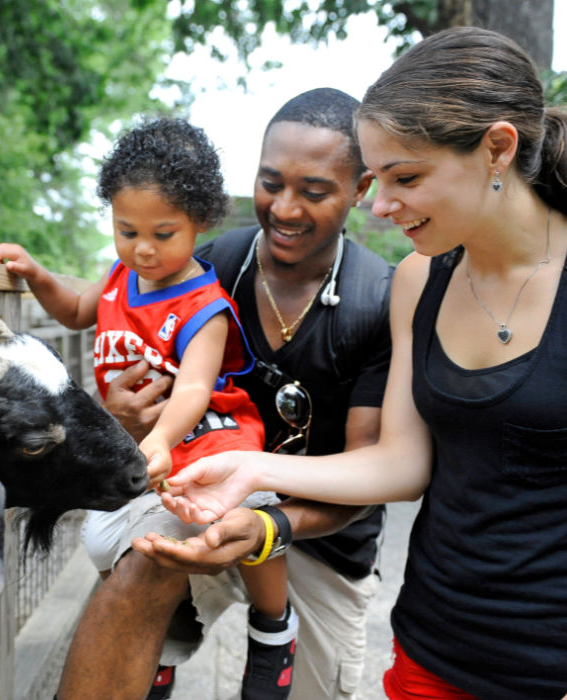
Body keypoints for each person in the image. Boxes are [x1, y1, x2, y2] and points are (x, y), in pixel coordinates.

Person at [160, 28, 567, 700]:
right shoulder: (416, 281)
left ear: (497, 147)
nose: (378, 206)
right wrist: (254, 469)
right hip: (433, 650)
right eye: (376, 181)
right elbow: (401, 465)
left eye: (407, 178)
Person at [57, 88, 393, 700]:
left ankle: (275, 636)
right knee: (138, 566)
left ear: (360, 189)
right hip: (200, 499)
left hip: (315, 535)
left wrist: (267, 528)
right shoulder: (206, 265)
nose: (284, 208)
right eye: (270, 183)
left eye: (314, 192)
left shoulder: (379, 303)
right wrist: (124, 421)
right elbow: (131, 354)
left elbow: (372, 476)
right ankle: (152, 656)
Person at [0, 117, 299, 699]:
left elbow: (193, 390)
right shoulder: (117, 276)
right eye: (126, 230)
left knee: (252, 501)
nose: (143, 248)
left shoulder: (203, 305)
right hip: (144, 442)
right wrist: (35, 276)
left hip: (206, 431)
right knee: (112, 542)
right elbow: (77, 311)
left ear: (200, 223)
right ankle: (153, 646)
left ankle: (274, 624)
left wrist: (160, 439)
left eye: (163, 232)